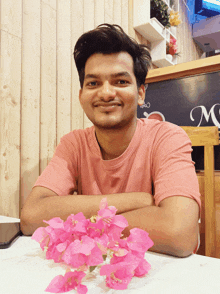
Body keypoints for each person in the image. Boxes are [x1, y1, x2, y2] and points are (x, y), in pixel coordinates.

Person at [20, 24, 201, 257]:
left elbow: (179, 233)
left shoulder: (168, 138)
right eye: (93, 83)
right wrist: (139, 201)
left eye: (120, 82)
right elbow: (32, 215)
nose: (106, 93)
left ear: (141, 93)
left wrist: (79, 220)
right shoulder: (73, 144)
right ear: (81, 95)